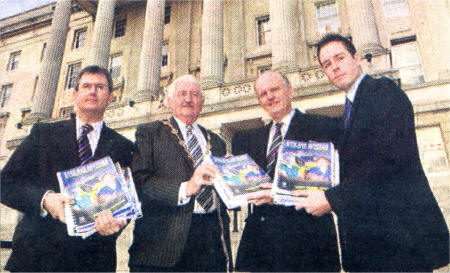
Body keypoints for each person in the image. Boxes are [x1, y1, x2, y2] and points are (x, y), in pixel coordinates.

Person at [295, 33, 449, 272]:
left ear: (356, 58)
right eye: (327, 64)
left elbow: (388, 161)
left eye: (339, 58)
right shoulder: (347, 113)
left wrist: (331, 199)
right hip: (366, 248)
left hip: (399, 244)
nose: (335, 67)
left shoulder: (382, 91)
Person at [1, 65, 134, 272]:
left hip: (93, 260)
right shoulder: (43, 134)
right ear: (75, 95)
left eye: (100, 87)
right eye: (86, 86)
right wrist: (45, 200)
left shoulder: (124, 147)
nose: (92, 91)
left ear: (110, 98)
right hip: (36, 258)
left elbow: (127, 201)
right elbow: (5, 184)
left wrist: (116, 224)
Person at [231, 71, 342, 272]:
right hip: (261, 246)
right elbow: (245, 189)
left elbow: (338, 180)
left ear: (290, 91)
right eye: (263, 94)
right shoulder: (247, 139)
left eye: (275, 89)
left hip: (309, 243)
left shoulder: (323, 126)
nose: (270, 97)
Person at [129, 74, 232, 272]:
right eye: (182, 94)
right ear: (169, 102)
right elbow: (140, 182)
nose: (188, 99)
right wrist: (187, 187)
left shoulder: (217, 141)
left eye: (194, 95)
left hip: (211, 242)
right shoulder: (150, 133)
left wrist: (235, 181)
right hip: (163, 246)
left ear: (201, 103)